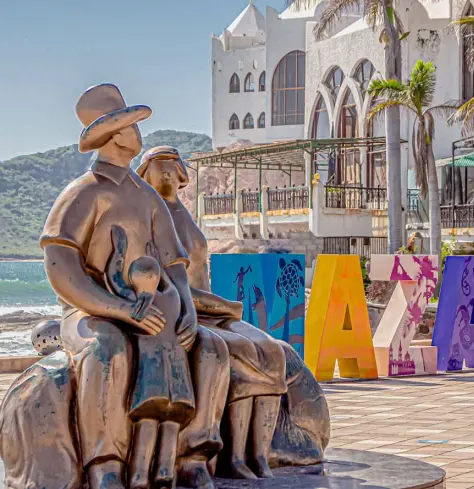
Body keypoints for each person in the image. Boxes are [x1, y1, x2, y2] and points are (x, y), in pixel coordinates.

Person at [40, 85, 230, 489]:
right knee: (106, 349)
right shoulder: (83, 192)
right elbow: (61, 268)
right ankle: (104, 462)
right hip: (91, 312)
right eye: (130, 125)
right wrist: (118, 309)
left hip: (153, 306)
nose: (138, 131)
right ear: (115, 135)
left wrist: (188, 309)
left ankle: (194, 456)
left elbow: (175, 265)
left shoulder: (148, 198)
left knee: (210, 347)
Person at [137, 146, 288, 479]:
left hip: (210, 309)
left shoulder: (183, 213)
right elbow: (166, 284)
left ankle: (255, 454)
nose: (166, 175)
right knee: (237, 351)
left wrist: (221, 308)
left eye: (171, 168)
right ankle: (224, 456)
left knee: (272, 352)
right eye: (158, 168)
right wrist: (222, 306)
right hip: (186, 310)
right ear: (144, 173)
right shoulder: (147, 216)